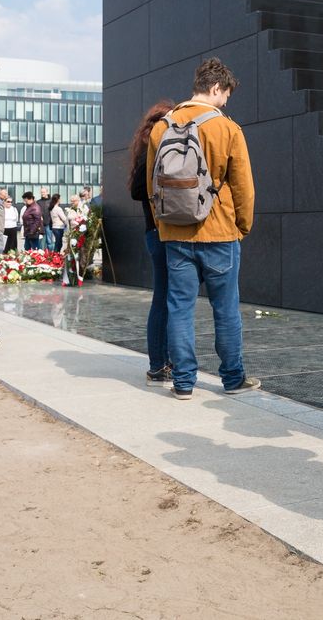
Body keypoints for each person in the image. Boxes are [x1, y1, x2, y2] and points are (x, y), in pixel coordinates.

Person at [146, 57, 258, 400]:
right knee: (225, 309)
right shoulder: (227, 128)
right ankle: (232, 378)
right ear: (214, 88)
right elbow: (243, 187)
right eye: (225, 95)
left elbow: (153, 187)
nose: (226, 102)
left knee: (179, 308)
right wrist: (242, 226)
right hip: (221, 233)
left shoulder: (161, 127)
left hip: (175, 234)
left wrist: (165, 225)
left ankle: (182, 383)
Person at [130, 100, 176, 385]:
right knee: (164, 298)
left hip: (158, 231)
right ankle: (159, 364)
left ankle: (164, 361)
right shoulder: (154, 147)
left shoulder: (150, 146)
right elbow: (137, 190)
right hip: (160, 231)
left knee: (169, 298)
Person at [38, 185, 53, 250]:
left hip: (49, 224)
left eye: (44, 192)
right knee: (40, 241)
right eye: (41, 192)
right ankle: (41, 255)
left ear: (47, 192)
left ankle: (50, 255)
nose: (42, 193)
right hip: (41, 224)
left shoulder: (51, 201)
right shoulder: (38, 202)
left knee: (49, 241)